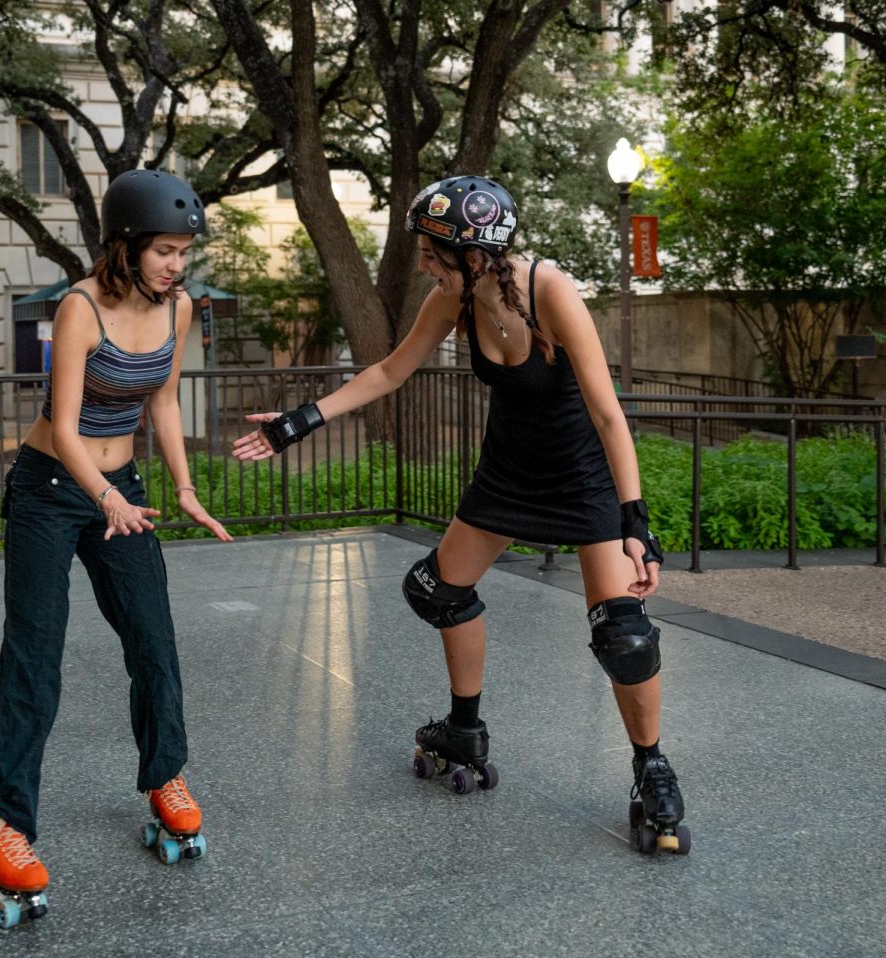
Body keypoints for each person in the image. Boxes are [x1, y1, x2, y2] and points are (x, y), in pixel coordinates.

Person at [232, 176, 688, 854]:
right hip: (506, 475)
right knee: (435, 589)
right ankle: (464, 728)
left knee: (623, 634)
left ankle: (651, 765)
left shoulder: (549, 290)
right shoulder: (454, 297)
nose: (422, 261)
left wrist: (635, 521)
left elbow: (607, 411)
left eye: (432, 249)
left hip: (581, 477)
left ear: (476, 252)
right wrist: (299, 422)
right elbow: (390, 370)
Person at [0, 169, 232, 906]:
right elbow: (64, 423)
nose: (177, 265)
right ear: (125, 245)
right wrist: (104, 495)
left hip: (127, 494)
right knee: (35, 653)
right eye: (165, 252)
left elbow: (166, 400)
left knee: (153, 637)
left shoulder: (178, 308)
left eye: (183, 252)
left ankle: (165, 775)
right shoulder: (79, 308)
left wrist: (180, 487)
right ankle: (2, 822)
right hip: (53, 489)